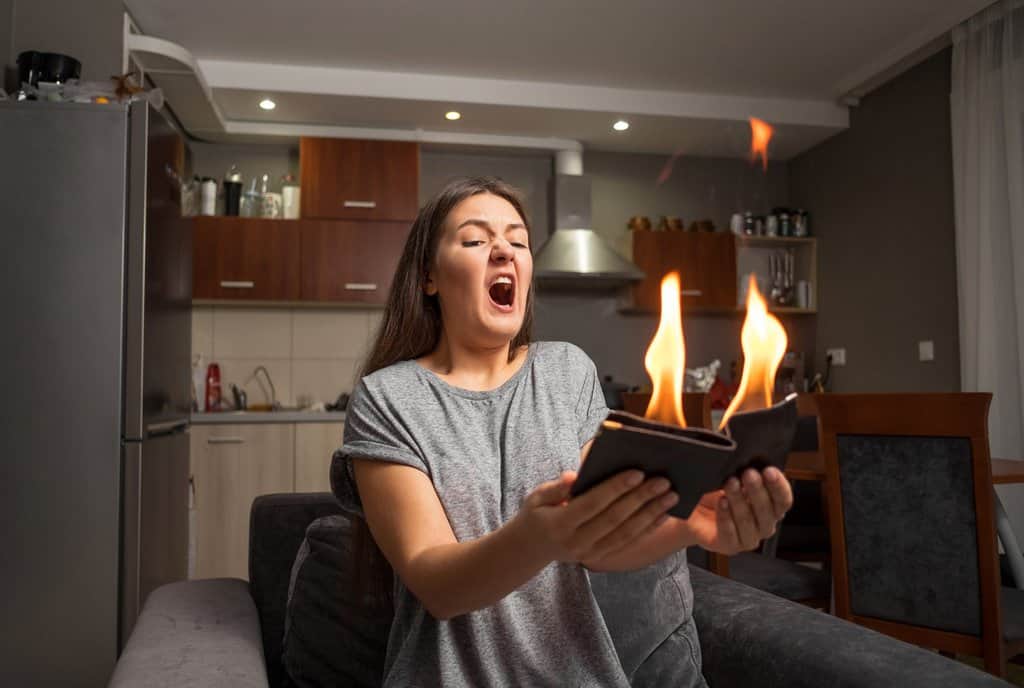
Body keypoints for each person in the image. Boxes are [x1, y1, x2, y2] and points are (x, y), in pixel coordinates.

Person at [333, 176, 793, 687]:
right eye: (476, 239)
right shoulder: (386, 397)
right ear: (428, 278)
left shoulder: (567, 371)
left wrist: (694, 527)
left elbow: (599, 545)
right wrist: (536, 536)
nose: (504, 250)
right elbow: (437, 584)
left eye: (518, 241)